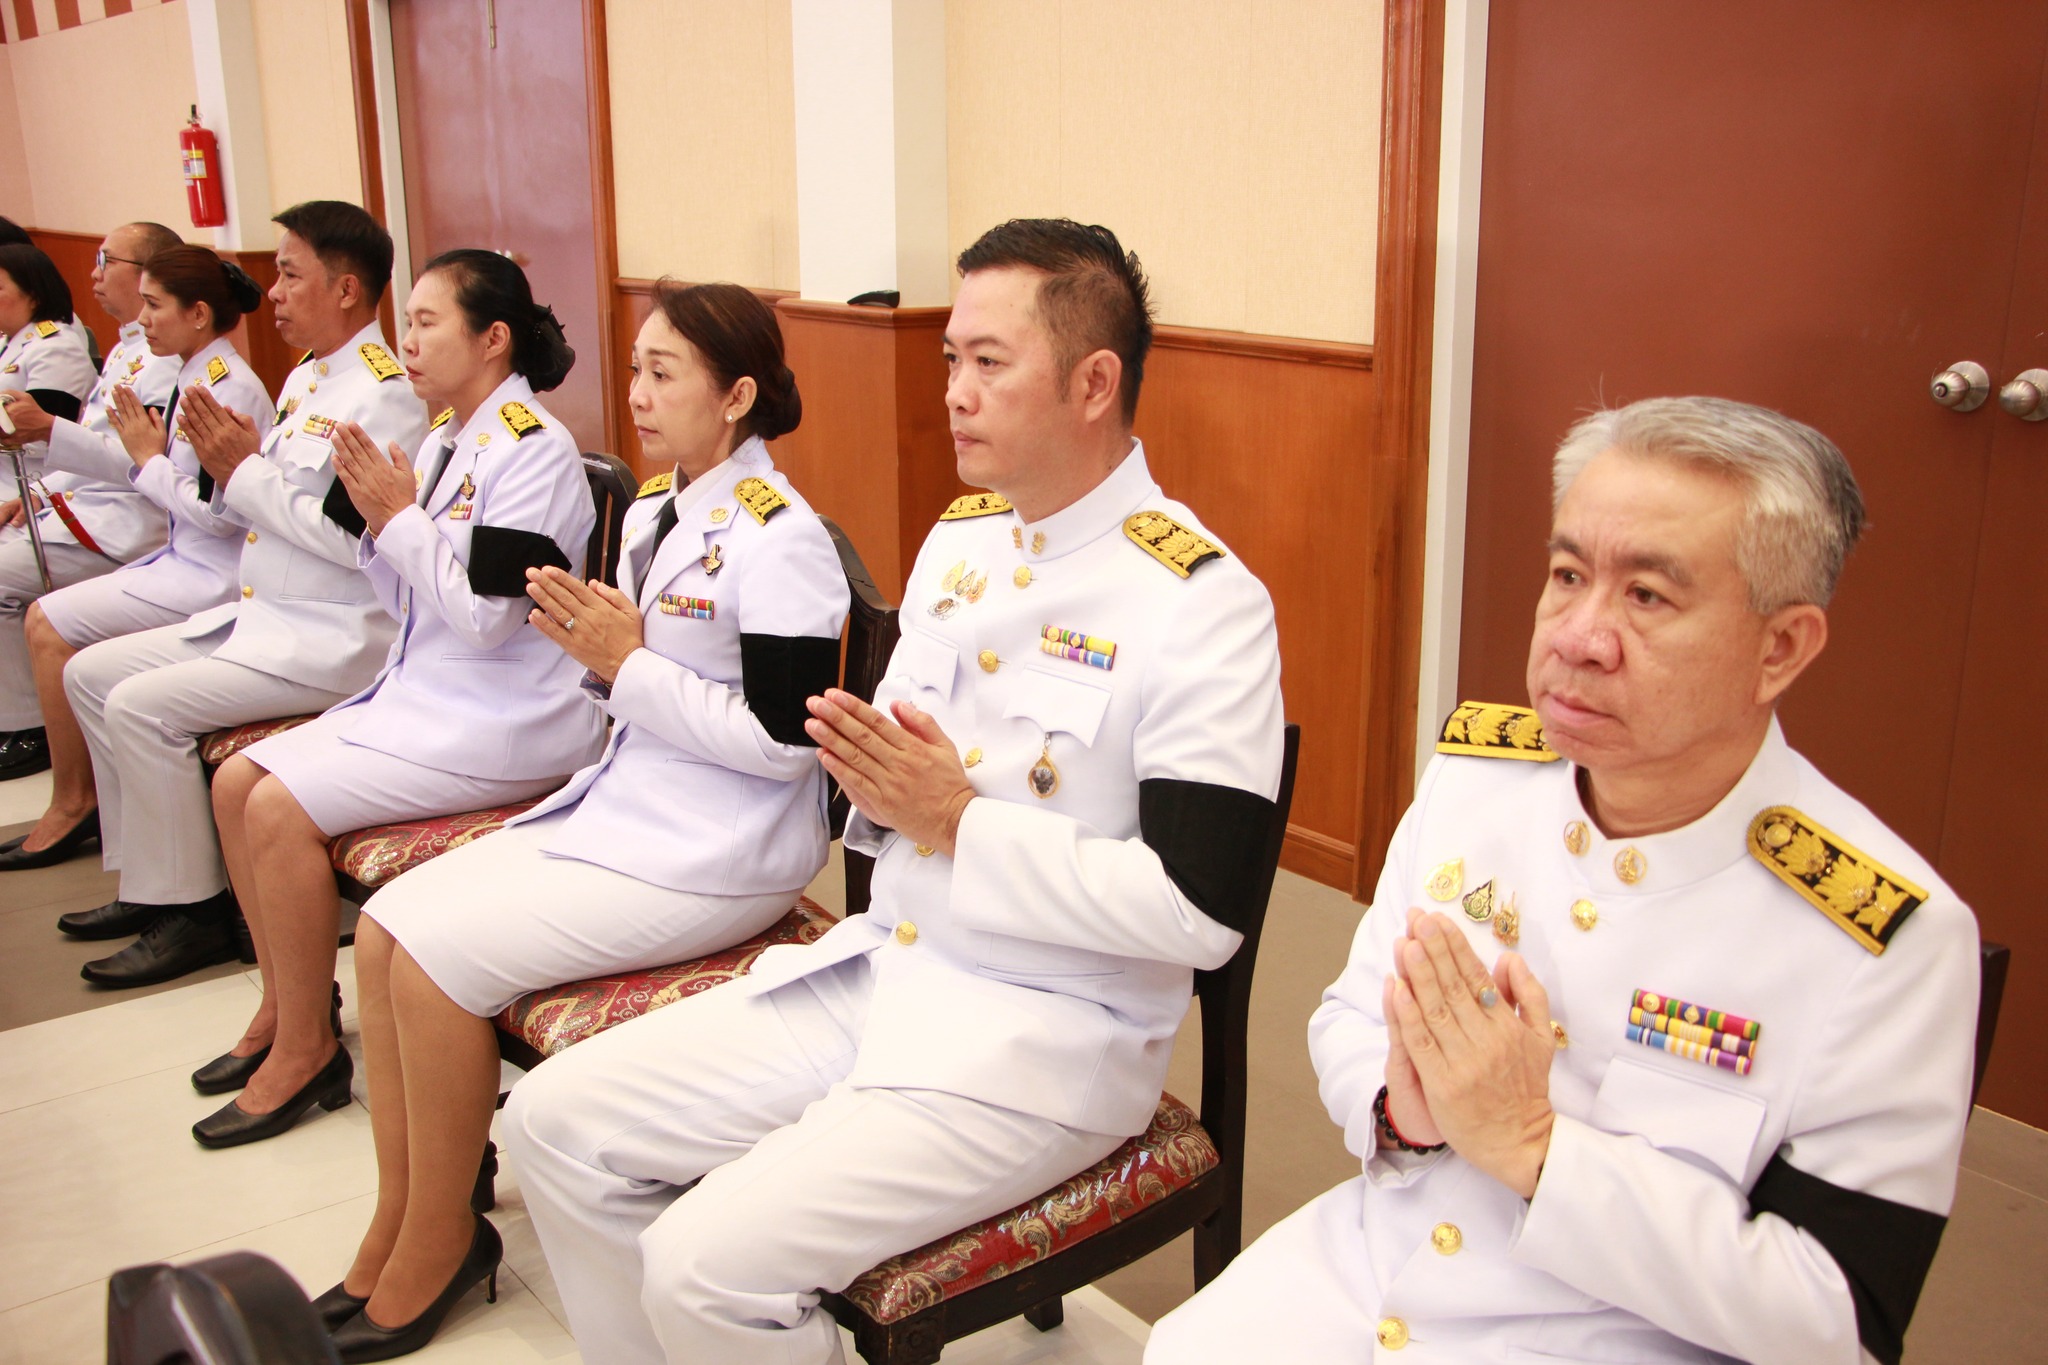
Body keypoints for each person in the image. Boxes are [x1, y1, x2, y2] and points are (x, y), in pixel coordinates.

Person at [502, 218, 1285, 1365]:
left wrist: (961, 821)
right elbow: (884, 777)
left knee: (701, 1268)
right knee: (551, 1125)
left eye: (986, 362)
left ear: (1092, 382)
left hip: (1046, 1035)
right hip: (890, 966)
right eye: (947, 360)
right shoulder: (961, 547)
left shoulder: (1199, 601)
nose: (954, 391)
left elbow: (1199, 913)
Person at [1145, 397, 1980, 1365]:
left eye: (1647, 598)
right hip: (1374, 1267)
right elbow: (1344, 1016)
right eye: (1566, 575)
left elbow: (1832, 1320)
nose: (1578, 637)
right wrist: (1397, 1111)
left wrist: (1539, 1153)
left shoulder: (1883, 939)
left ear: (1778, 648)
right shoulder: (1475, 781)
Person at [314, 280, 849, 1360]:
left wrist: (629, 667)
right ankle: (407, 1219)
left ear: (737, 395)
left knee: (432, 960)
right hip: (625, 808)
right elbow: (620, 682)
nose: (638, 394)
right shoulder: (656, 509)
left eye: (665, 374)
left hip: (717, 845)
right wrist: (612, 669)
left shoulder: (781, 538)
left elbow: (786, 749)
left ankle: (438, 1246)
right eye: (637, 368)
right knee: (381, 930)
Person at [194, 249, 606, 1152]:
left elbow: (489, 620)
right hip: (428, 694)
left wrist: (399, 519)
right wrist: (383, 524)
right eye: (407, 322)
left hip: (507, 717)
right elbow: (408, 602)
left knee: (274, 804)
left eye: (427, 324)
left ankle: (306, 1049)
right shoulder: (444, 438)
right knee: (235, 784)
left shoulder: (537, 455)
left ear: (493, 339)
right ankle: (286, 1002)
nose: (407, 343)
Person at [54, 202, 427, 989]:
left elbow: (352, 542)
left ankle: (191, 910)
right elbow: (252, 500)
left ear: (349, 289)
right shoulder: (307, 379)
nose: (275, 291)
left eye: (292, 274)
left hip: (330, 633)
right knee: (90, 674)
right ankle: (150, 879)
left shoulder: (381, 395)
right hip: (265, 615)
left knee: (139, 705)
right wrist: (219, 474)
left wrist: (243, 473)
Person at [0, 246, 273, 873]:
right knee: (73, 653)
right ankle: (127, 856)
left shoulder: (223, 388)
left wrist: (148, 461)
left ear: (198, 314)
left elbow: (219, 514)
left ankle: (93, 819)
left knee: (55, 628)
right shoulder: (191, 374)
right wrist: (143, 457)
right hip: (181, 555)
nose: (142, 320)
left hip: (213, 574)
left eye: (154, 305)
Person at [0, 224, 183, 781]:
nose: (93, 274)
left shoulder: (167, 361)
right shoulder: (130, 348)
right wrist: (34, 492)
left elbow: (141, 465)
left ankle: (27, 725)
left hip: (126, 525)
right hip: (84, 505)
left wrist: (47, 429)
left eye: (107, 261)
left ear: (149, 272)